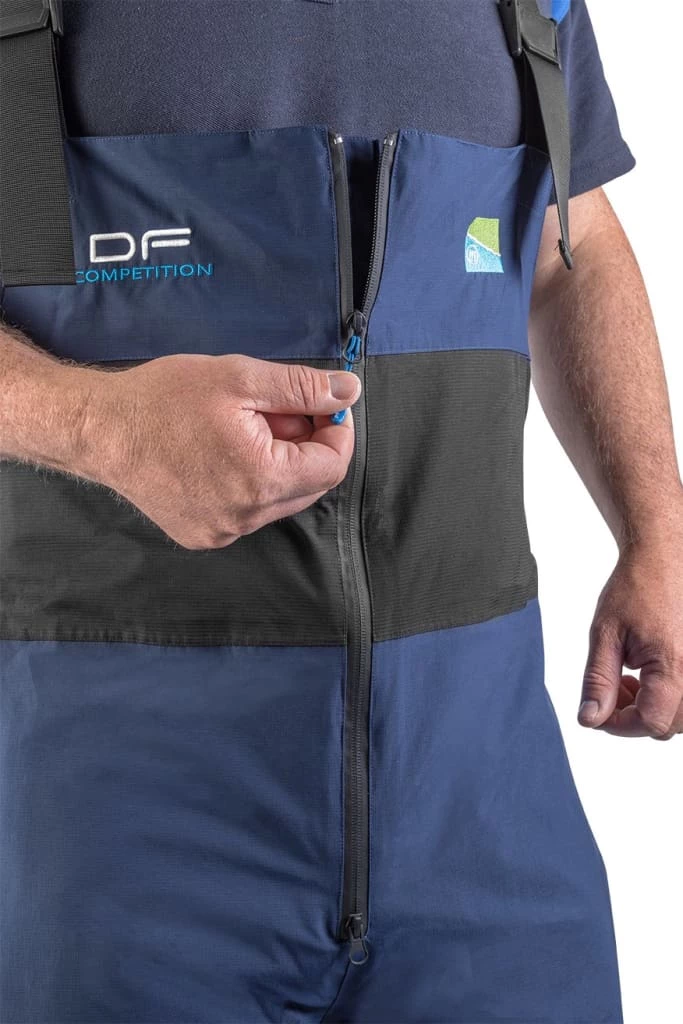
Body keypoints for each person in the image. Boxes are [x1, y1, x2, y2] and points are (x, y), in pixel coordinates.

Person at [0, 2, 680, 1022]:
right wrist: (102, 426)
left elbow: (565, 241)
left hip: (488, 830)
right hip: (117, 851)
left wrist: (656, 531)